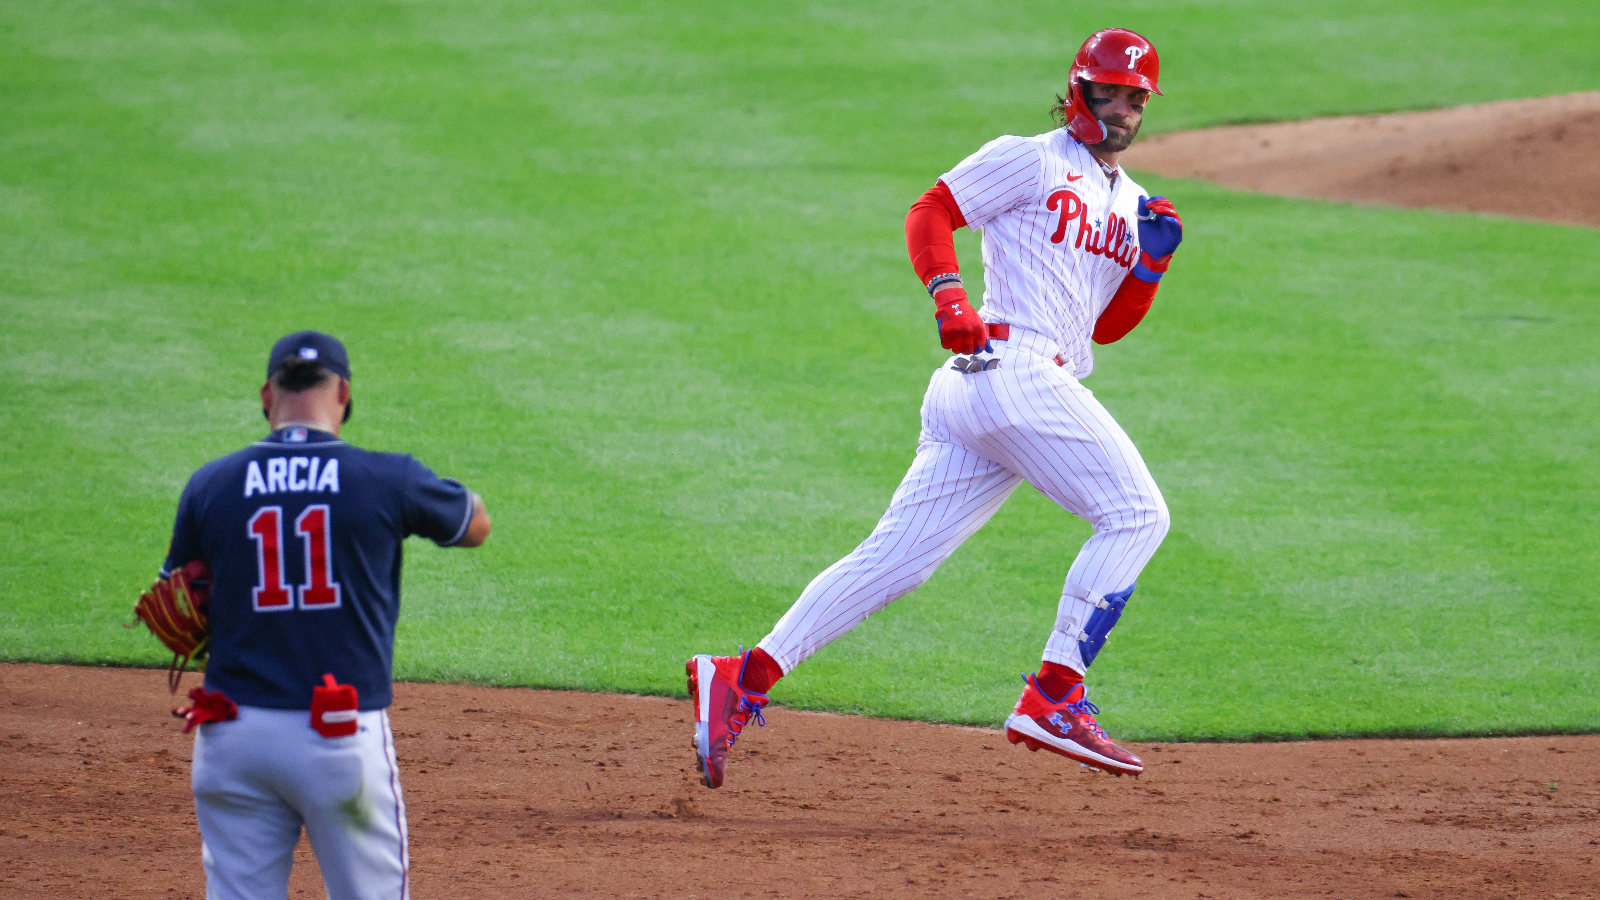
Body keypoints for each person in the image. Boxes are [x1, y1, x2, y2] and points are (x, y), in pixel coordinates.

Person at [686, 28, 1185, 788]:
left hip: (1003, 387)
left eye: (1133, 98)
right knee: (1138, 515)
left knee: (898, 561)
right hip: (1007, 372)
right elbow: (933, 209)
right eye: (1106, 91)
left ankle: (740, 677)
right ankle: (1054, 694)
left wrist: (1149, 266)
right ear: (1077, 91)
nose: (1119, 108)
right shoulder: (1031, 156)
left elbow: (1103, 328)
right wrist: (948, 295)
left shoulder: (1135, 204)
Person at [160, 331, 490, 899]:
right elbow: (473, 524)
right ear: (343, 391)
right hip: (336, 738)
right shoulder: (386, 478)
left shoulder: (210, 485)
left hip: (231, 734)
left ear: (267, 394)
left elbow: (179, 599)